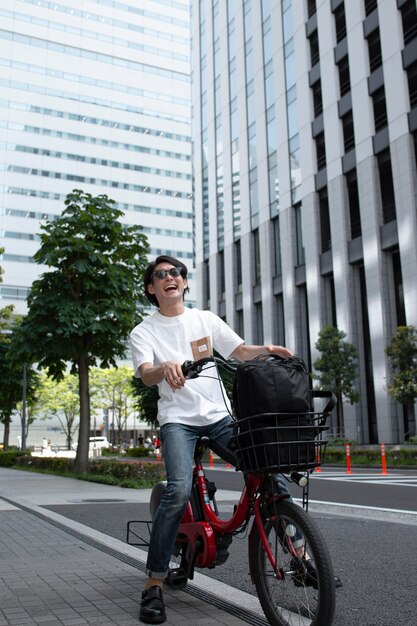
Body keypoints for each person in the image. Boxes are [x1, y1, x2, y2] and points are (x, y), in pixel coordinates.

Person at [130, 255, 298, 623]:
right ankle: (153, 583)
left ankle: (299, 553)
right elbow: (145, 374)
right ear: (151, 288)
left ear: (185, 283)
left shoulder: (204, 319)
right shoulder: (144, 331)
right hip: (178, 421)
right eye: (161, 275)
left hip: (218, 417)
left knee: (269, 467)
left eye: (176, 273)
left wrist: (267, 349)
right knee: (176, 489)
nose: (170, 278)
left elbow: (238, 352)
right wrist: (165, 368)